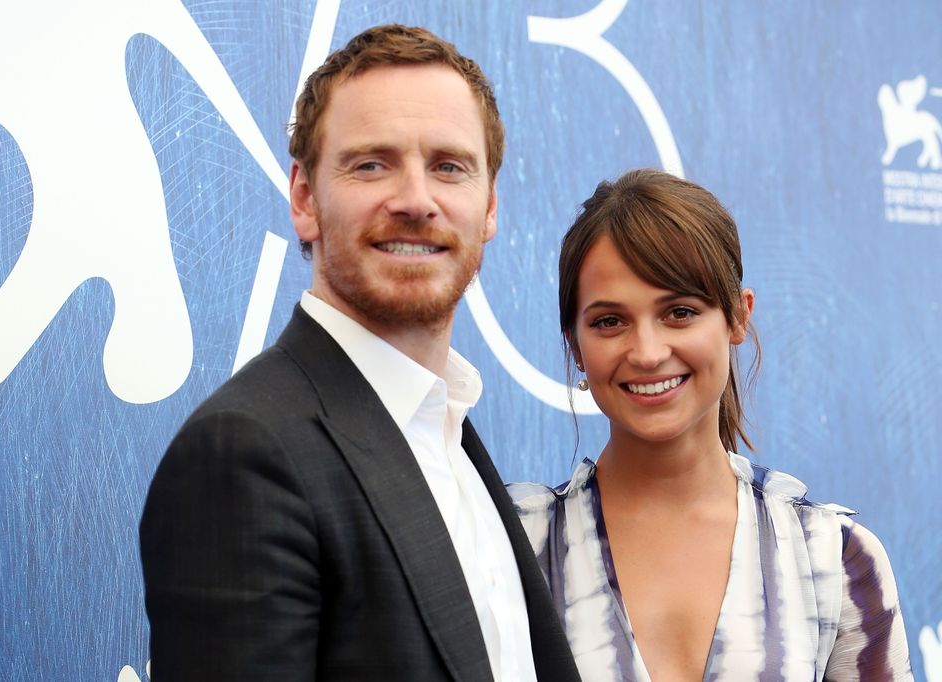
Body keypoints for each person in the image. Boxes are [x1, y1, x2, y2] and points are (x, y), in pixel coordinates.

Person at [139, 24, 580, 681]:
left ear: (489, 208)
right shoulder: (245, 456)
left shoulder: (449, 439)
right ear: (304, 199)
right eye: (371, 163)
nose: (415, 201)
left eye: (448, 167)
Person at [509, 169, 913, 681]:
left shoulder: (831, 559)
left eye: (679, 312)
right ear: (575, 344)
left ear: (738, 318)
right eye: (610, 321)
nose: (648, 352)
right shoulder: (514, 548)